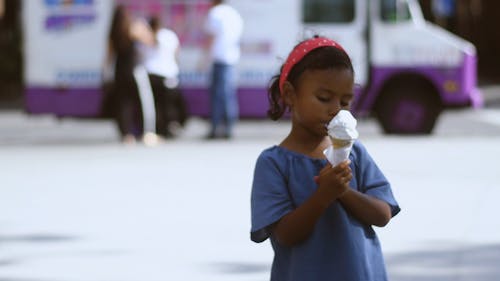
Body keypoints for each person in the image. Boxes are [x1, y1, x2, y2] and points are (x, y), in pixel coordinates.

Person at [250, 36, 401, 281]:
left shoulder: (356, 153)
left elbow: (382, 214)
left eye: (345, 101)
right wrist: (324, 194)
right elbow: (286, 234)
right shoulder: (273, 163)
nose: (335, 109)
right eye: (323, 98)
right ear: (289, 94)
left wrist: (343, 191)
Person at [107, 5, 158, 145]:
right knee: (143, 101)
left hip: (119, 69)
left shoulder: (114, 32)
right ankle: (147, 132)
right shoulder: (133, 27)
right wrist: (143, 27)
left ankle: (126, 134)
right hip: (135, 69)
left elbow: (109, 54)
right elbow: (150, 40)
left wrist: (106, 72)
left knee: (123, 103)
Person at [203, 0, 243, 139]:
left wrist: (204, 58)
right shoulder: (234, 14)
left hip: (219, 58)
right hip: (231, 58)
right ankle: (228, 128)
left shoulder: (215, 13)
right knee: (228, 94)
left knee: (217, 95)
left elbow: (211, 37)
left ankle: (215, 128)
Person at [142, 15, 187, 138]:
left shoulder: (148, 36)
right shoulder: (170, 35)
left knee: (156, 104)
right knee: (169, 104)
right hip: (169, 74)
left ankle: (159, 129)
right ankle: (171, 127)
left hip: (153, 74)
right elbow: (176, 53)